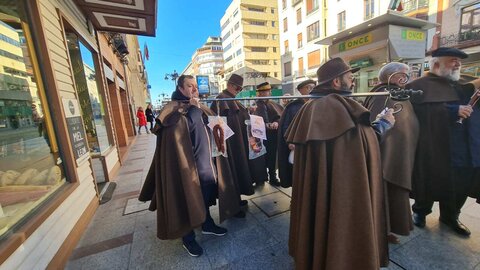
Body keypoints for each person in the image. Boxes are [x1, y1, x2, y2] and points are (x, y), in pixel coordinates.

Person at [286, 57, 394, 270]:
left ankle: (314, 255)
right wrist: (383, 124)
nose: (353, 82)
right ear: (336, 82)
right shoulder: (339, 107)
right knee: (341, 218)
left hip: (327, 184)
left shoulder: (309, 107)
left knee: (317, 212)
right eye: (350, 78)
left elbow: (352, 138)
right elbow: (362, 142)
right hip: (344, 187)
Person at [139, 75, 231, 257]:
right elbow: (179, 130)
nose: (194, 90)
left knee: (205, 195)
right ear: (180, 88)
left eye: (195, 86)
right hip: (186, 168)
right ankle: (188, 238)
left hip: (205, 164)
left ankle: (206, 224)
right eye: (190, 86)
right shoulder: (172, 109)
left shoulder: (196, 106)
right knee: (185, 199)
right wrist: (195, 111)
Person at [407, 47, 480, 237]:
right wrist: (452, 111)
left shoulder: (460, 83)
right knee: (428, 179)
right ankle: (421, 212)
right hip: (433, 145)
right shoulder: (420, 84)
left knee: (460, 183)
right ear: (436, 64)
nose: (457, 64)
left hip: (462, 148)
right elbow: (416, 113)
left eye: (459, 61)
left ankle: (451, 216)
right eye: (452, 60)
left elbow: (472, 96)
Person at [364, 62, 419, 244]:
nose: (408, 77)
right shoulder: (384, 94)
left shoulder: (395, 92)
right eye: (406, 74)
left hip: (399, 155)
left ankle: (386, 229)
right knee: (384, 195)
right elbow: (373, 127)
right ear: (394, 76)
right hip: (386, 159)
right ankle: (381, 230)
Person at [211, 74, 253, 218]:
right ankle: (232, 208)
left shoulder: (232, 98)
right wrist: (223, 145)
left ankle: (237, 201)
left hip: (237, 143)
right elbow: (215, 124)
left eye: (240, 88)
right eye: (237, 87)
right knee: (230, 173)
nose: (239, 90)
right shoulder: (221, 99)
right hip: (229, 145)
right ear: (230, 84)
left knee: (237, 172)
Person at [277, 79, 316, 188]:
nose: (311, 90)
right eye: (308, 87)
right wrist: (290, 141)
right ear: (301, 90)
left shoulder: (317, 104)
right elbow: (286, 126)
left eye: (313, 87)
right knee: (297, 173)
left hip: (312, 145)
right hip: (297, 145)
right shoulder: (293, 107)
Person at [253, 82, 284, 185]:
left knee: (272, 157)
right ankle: (259, 178)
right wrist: (265, 125)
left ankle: (273, 177)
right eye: (267, 91)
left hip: (272, 136)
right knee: (258, 157)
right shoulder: (255, 105)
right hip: (259, 136)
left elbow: (279, 116)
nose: (270, 92)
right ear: (261, 93)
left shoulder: (272, 103)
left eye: (269, 90)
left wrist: (276, 123)